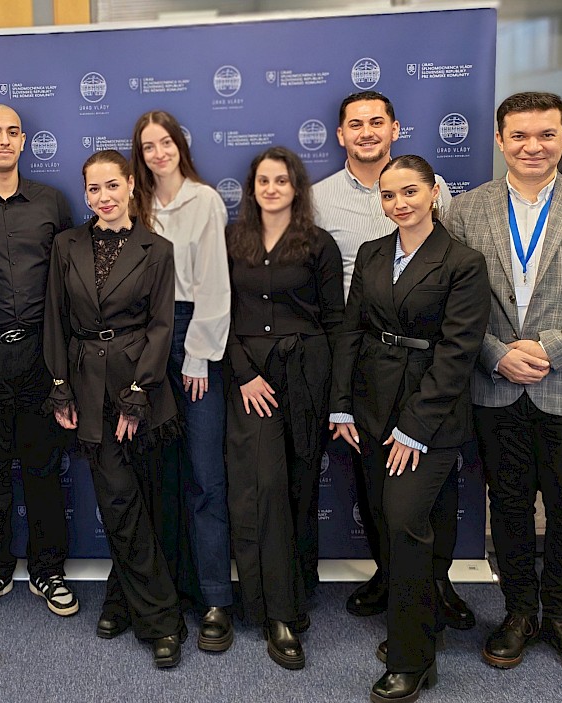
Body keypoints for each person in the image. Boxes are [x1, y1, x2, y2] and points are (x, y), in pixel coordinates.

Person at [444, 91, 562, 683]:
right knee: (508, 506)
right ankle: (520, 612)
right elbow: (451, 302)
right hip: (496, 385)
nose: (533, 146)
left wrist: (552, 350)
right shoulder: (464, 211)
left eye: (546, 135)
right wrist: (497, 354)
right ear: (500, 140)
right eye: (520, 136)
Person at [330, 155, 490, 702]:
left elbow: (458, 352)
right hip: (372, 404)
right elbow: (351, 331)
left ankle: (412, 659)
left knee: (405, 524)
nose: (398, 203)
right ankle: (425, 622)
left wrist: (415, 429)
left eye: (409, 192)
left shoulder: (463, 261)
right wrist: (341, 405)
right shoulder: (373, 252)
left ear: (433, 192)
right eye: (388, 195)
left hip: (431, 416)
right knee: (386, 519)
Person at [313, 90, 471, 628]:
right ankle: (391, 577)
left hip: (428, 363)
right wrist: (340, 394)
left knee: (432, 494)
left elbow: (451, 266)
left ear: (395, 128)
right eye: (355, 124)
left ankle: (435, 585)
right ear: (341, 135)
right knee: (376, 491)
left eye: (376, 122)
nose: (367, 132)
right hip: (366, 361)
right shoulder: (320, 199)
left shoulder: (433, 186)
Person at [44, 149, 186, 668]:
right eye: (93, 189)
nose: (103, 197)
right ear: (85, 194)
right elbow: (55, 320)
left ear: (130, 186)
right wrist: (60, 385)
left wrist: (139, 392)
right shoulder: (66, 245)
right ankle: (163, 619)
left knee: (147, 500)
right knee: (119, 501)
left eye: (112, 186)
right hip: (86, 385)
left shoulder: (157, 248)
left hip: (142, 387)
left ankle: (120, 599)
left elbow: (162, 325)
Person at [0, 104, 78, 619]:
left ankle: (49, 571)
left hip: (42, 358)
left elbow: (70, 279)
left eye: (12, 132)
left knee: (44, 471)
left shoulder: (52, 202)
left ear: (24, 141)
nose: (3, 140)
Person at [225, 147, 344, 669]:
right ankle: (275, 611)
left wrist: (338, 399)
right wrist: (243, 373)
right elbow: (216, 313)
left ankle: (297, 591)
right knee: (264, 487)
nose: (271, 189)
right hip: (251, 379)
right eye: (263, 181)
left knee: (299, 485)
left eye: (281, 180)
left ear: (297, 187)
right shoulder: (230, 240)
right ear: (251, 189)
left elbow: (336, 321)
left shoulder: (318, 243)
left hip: (307, 373)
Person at [131, 110, 234, 650]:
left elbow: (215, 284)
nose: (158, 153)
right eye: (148, 146)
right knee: (157, 475)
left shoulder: (205, 201)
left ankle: (215, 596)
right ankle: (164, 591)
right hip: (145, 338)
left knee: (204, 474)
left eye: (166, 142)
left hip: (194, 335)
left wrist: (198, 355)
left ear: (180, 146)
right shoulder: (136, 205)